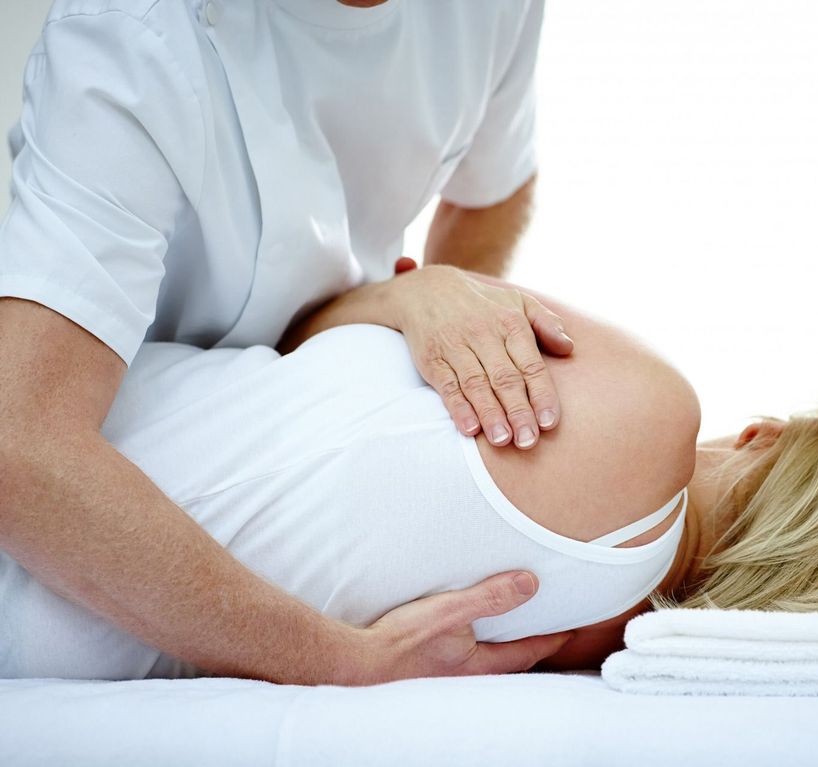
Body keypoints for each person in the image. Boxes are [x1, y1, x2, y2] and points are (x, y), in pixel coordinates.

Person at [0, 269, 818, 685]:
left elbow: (308, 328)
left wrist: (416, 294)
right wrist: (424, 301)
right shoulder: (568, 649)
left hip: (51, 452)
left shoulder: (643, 414)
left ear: (773, 430)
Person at [0, 0, 576, 684]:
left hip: (325, 374)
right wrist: (340, 659)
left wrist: (427, 302)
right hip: (110, 484)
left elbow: (497, 184)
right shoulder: (133, 34)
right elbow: (21, 447)